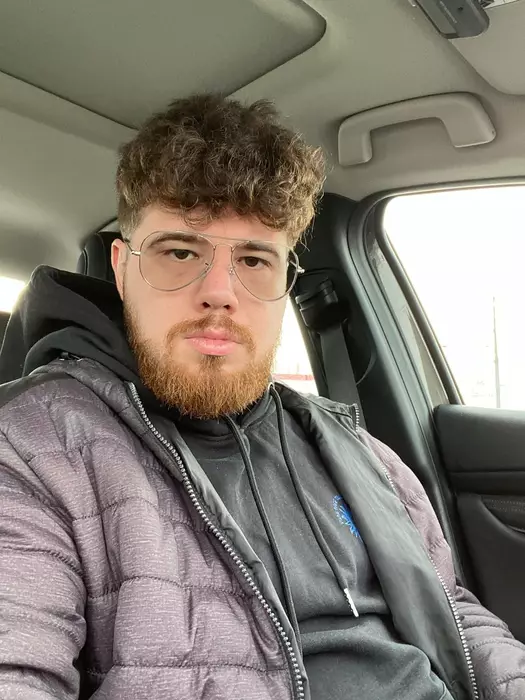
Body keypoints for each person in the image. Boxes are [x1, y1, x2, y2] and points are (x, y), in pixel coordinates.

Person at [0, 94, 523, 700]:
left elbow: (449, 608)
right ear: (121, 268)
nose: (220, 291)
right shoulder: (34, 450)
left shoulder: (356, 448)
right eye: (180, 252)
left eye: (254, 259)